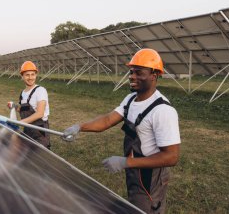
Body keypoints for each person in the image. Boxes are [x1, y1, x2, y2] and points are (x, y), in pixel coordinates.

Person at [63, 48, 181, 214]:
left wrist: (125, 162)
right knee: (134, 206)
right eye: (131, 72)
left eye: (139, 72)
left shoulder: (162, 111)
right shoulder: (131, 99)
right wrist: (79, 127)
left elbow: (171, 156)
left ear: (154, 76)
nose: (132, 76)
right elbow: (107, 120)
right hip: (134, 169)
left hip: (150, 177)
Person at [8, 61, 51, 149]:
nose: (30, 77)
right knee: (24, 153)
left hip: (39, 130)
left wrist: (20, 123)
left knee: (40, 156)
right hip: (27, 130)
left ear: (36, 75)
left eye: (33, 74)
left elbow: (39, 113)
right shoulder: (23, 93)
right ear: (22, 76)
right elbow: (23, 110)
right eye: (27, 75)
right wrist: (14, 106)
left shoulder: (40, 91)